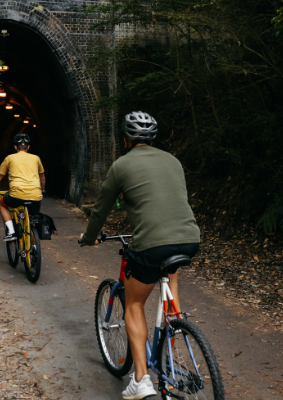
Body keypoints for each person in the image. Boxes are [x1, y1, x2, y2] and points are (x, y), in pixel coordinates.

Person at [79, 111, 201, 400]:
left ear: (125, 139)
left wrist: (88, 237)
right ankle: (174, 332)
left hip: (150, 246)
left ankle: (141, 379)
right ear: (153, 138)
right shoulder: (173, 161)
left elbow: (101, 208)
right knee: (169, 278)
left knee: (133, 302)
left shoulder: (122, 165)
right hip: (188, 239)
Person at [0, 133, 46, 241]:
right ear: (28, 147)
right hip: (36, 195)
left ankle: (12, 232)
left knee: (2, 204)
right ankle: (34, 247)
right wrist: (42, 190)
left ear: (15, 147)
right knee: (32, 221)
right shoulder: (36, 158)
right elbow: (42, 177)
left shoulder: (9, 158)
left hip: (16, 195)